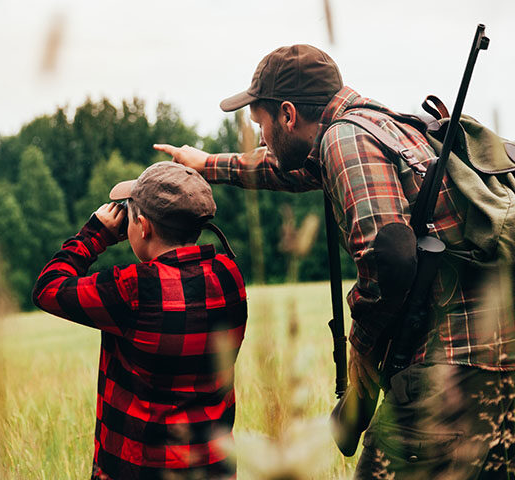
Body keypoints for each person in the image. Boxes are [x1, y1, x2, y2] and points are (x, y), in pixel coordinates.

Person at [154, 44, 515, 478]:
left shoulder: (346, 141)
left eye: (262, 124)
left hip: (450, 374)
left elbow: (391, 263)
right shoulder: (378, 125)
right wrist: (208, 164)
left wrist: (361, 366)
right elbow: (285, 168)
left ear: (288, 114)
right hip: (495, 366)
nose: (263, 137)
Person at [32, 161, 247, 480]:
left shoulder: (133, 289)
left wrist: (95, 235)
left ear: (143, 226)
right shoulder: (229, 275)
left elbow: (48, 288)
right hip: (214, 469)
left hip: (140, 470)